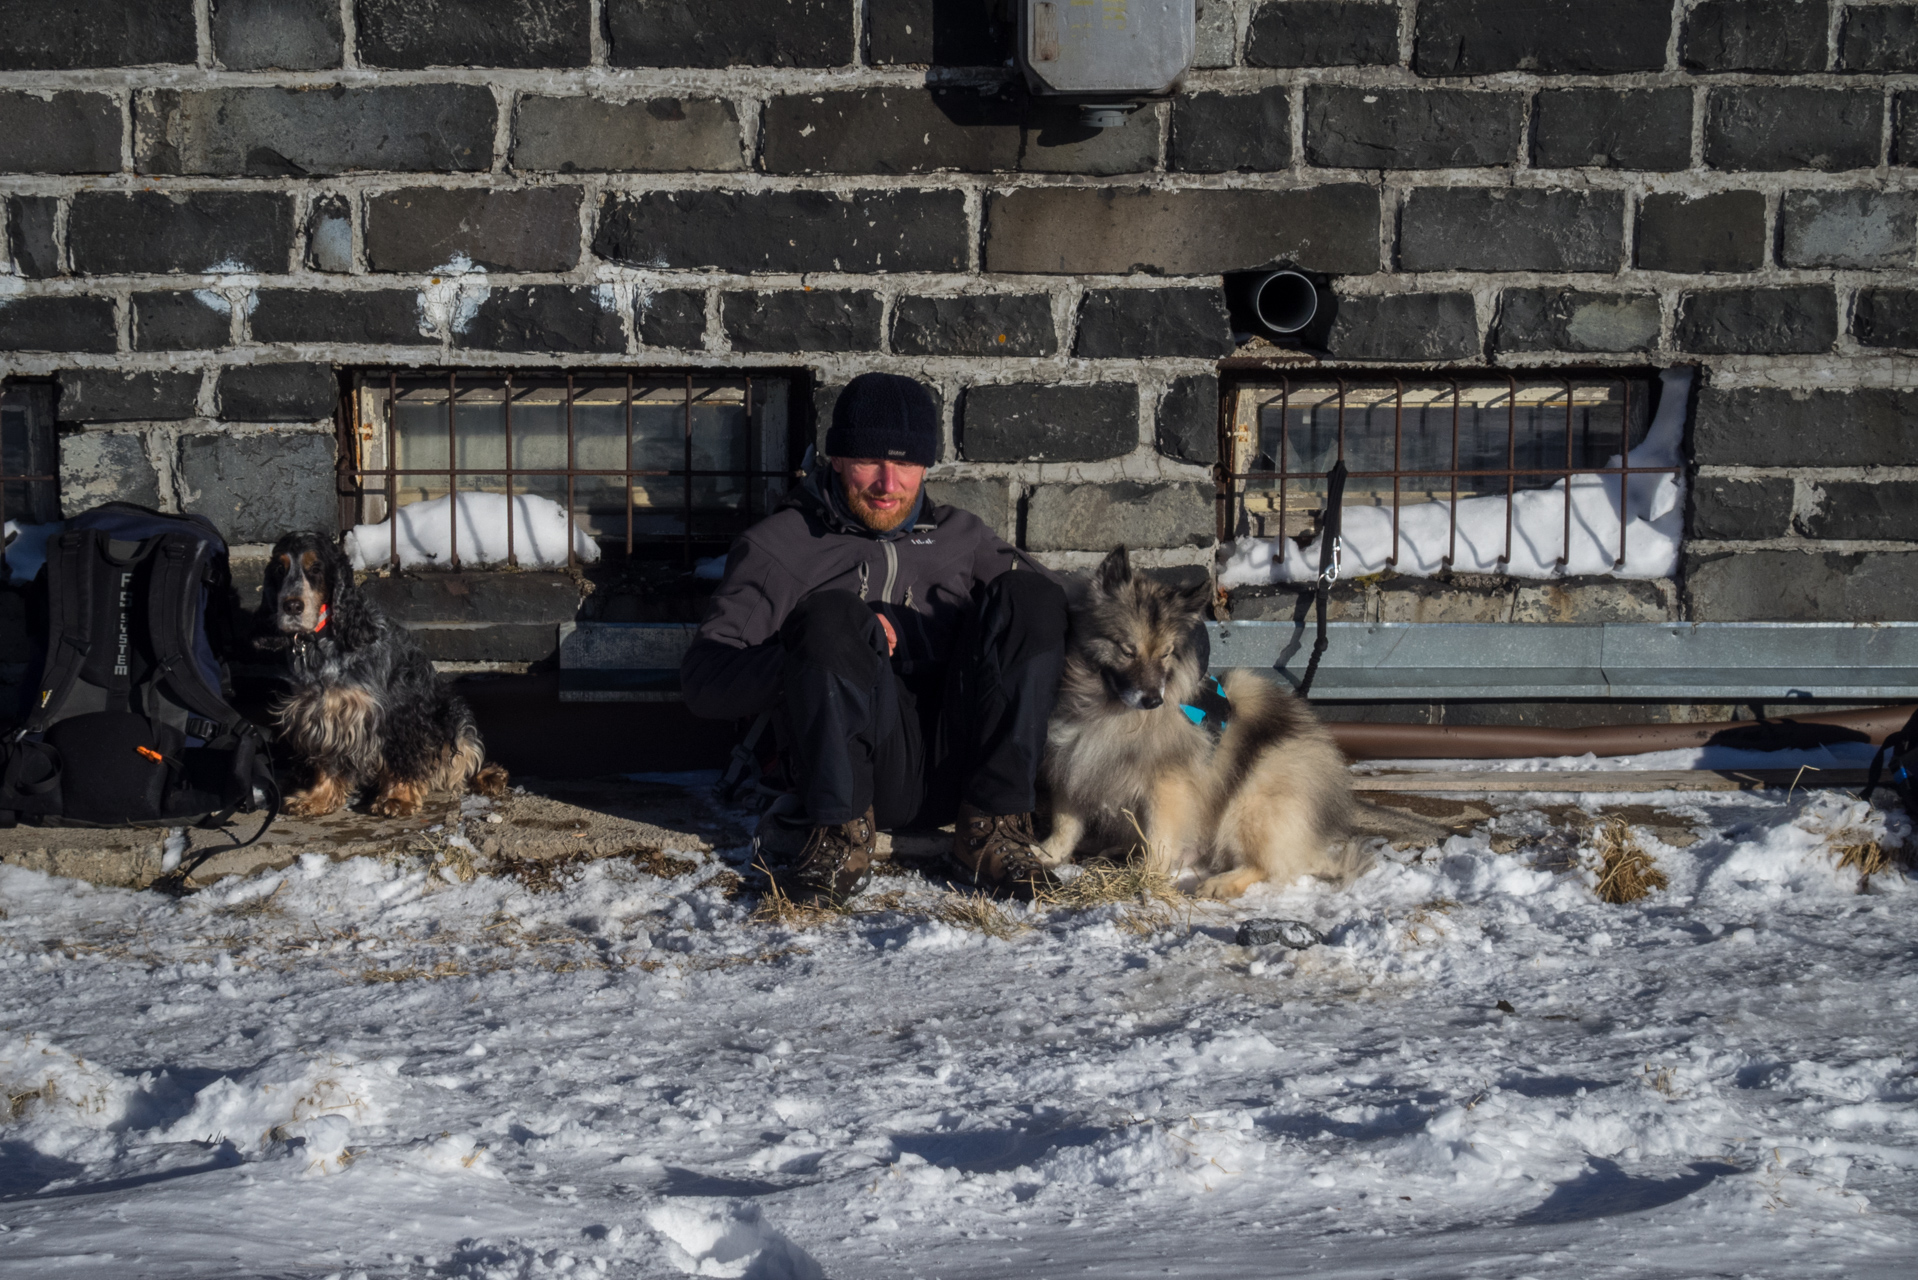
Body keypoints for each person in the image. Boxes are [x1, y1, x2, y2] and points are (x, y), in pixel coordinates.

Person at [681, 372, 1069, 904]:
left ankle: (995, 833)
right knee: (834, 616)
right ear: (836, 458)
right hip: (856, 773)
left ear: (926, 466)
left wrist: (1179, 645)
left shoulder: (961, 535)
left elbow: (1058, 614)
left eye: (906, 463)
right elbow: (706, 683)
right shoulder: (781, 548)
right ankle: (839, 840)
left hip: (965, 762)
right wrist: (817, 654)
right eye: (869, 461)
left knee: (1032, 596)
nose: (889, 484)